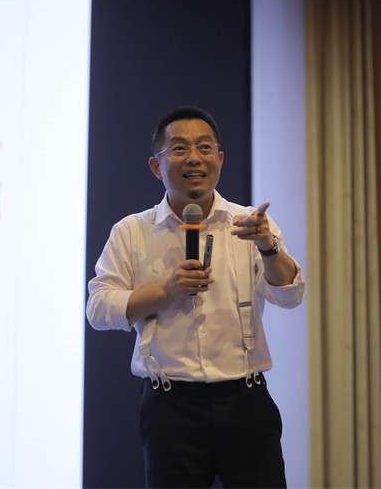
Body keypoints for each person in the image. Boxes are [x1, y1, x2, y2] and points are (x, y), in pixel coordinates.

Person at [86, 106, 305, 488]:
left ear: (219, 159)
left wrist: (268, 247)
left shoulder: (250, 223)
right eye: (179, 148)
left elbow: (289, 296)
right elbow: (99, 309)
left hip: (246, 401)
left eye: (204, 147)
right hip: (170, 407)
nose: (193, 158)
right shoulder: (132, 231)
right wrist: (164, 291)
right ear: (156, 166)